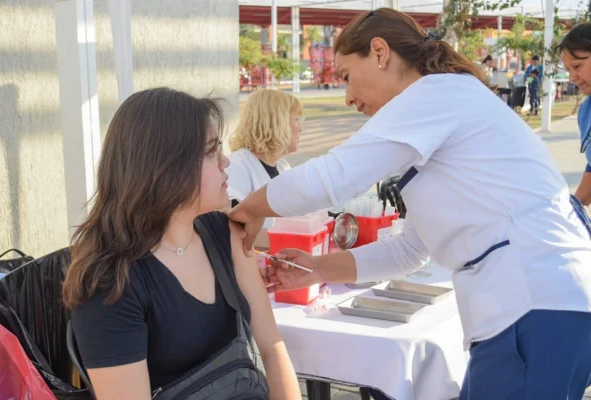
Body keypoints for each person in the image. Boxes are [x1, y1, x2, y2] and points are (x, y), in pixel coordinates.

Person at [229, 8, 591, 400]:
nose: (348, 97)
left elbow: (333, 177)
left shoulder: (436, 94)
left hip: (533, 302)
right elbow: (411, 249)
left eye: (348, 76)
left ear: (380, 52)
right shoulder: (442, 105)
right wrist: (317, 269)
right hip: (537, 305)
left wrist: (249, 208)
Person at [62, 88, 301, 400]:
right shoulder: (109, 282)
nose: (226, 161)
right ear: (166, 167)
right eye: (212, 151)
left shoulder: (225, 232)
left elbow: (272, 347)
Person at [227, 89, 303, 217]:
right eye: (297, 120)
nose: (301, 129)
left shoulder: (282, 166)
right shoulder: (236, 166)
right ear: (277, 122)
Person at [560, 22, 591, 206]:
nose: (572, 77)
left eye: (577, 66)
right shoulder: (586, 111)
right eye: (568, 70)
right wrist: (574, 208)